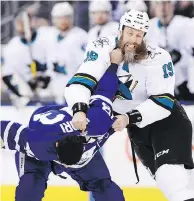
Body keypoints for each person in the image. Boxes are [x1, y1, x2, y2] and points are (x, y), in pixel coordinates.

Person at [64, 9, 194, 201]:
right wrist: (79, 109)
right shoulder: (101, 47)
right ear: (120, 30)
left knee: (172, 181)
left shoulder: (159, 57)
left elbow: (164, 101)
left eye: (139, 35)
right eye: (130, 32)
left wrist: (128, 118)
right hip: (137, 130)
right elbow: (81, 81)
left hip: (167, 122)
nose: (133, 39)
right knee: (175, 187)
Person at [1, 63, 125, 201]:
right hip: (43, 142)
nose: (65, 166)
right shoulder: (37, 141)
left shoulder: (97, 123)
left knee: (105, 188)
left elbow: (105, 92)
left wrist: (113, 65)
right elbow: (6, 131)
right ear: (57, 146)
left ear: (84, 143)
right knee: (31, 186)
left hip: (70, 141)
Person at [146, 0, 194, 101]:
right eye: (159, 4)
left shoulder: (186, 24)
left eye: (167, 3)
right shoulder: (148, 27)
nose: (163, 8)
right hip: (158, 84)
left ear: (173, 6)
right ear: (154, 7)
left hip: (184, 82)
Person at [2, 11, 51, 108]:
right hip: (26, 99)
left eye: (25, 21)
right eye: (19, 22)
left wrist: (44, 78)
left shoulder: (46, 39)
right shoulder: (12, 46)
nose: (22, 25)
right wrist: (22, 92)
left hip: (49, 96)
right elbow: (8, 76)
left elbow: (55, 65)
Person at [46, 2, 88, 104]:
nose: (63, 21)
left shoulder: (81, 36)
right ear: (54, 19)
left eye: (66, 17)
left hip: (75, 87)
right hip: (55, 88)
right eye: (59, 18)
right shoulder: (48, 35)